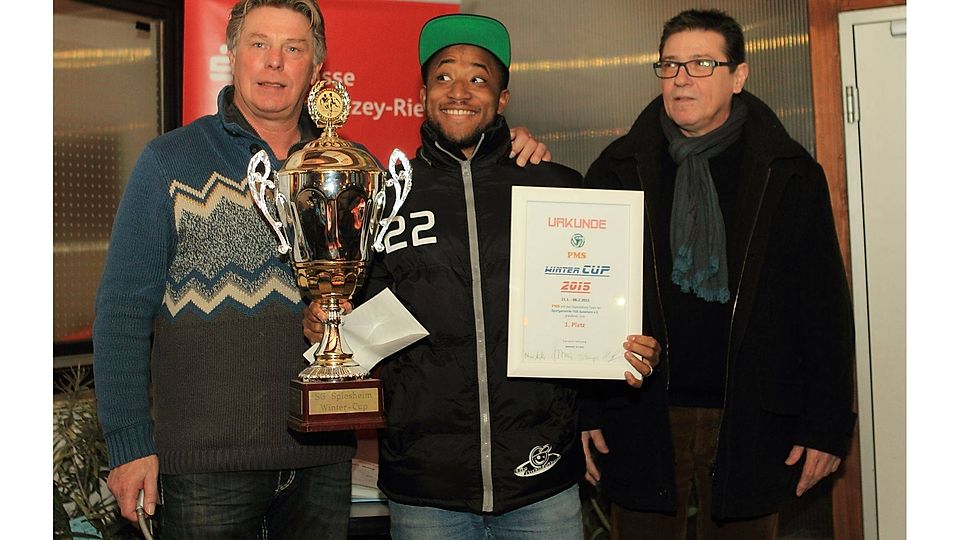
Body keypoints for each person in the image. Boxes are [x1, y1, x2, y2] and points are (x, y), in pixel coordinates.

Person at [92, 1, 550, 537]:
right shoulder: (168, 161)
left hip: (324, 461)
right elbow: (121, 311)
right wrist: (128, 444)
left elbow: (401, 290)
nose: (274, 62)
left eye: (294, 48)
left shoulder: (355, 170)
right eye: (259, 44)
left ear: (316, 69)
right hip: (205, 467)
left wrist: (508, 151)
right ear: (232, 56)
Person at [303, 13, 645, 540]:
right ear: (422, 95)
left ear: (502, 99)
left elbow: (595, 305)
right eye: (443, 76)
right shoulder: (381, 198)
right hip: (426, 489)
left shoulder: (556, 189)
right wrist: (327, 326)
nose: (459, 91)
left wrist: (624, 349)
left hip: (540, 481)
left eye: (478, 78)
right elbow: (356, 319)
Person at [579, 9, 856, 539]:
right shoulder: (617, 168)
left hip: (754, 418)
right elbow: (584, 294)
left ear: (738, 75)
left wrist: (826, 426)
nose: (682, 78)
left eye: (702, 64)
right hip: (640, 417)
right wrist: (585, 411)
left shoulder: (788, 172)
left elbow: (823, 308)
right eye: (670, 65)